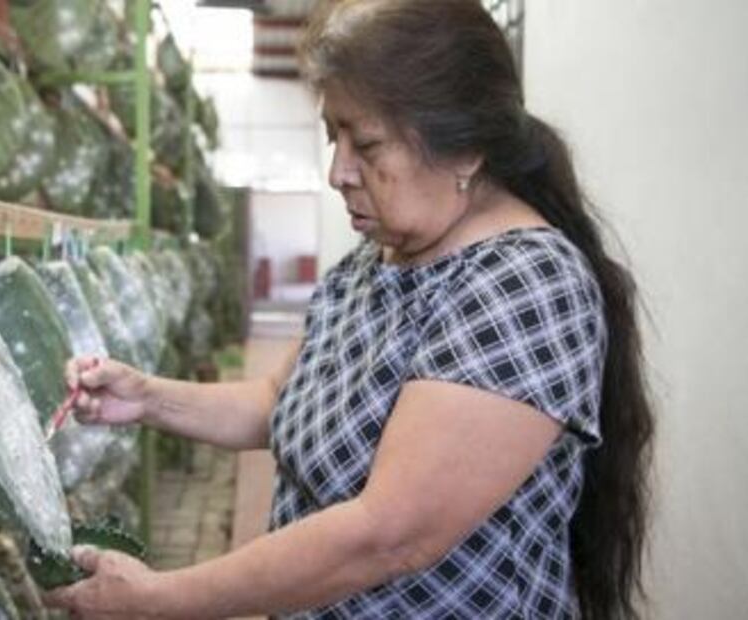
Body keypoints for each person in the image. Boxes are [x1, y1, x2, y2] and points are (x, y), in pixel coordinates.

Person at [45, 0, 654, 617]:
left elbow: (388, 534)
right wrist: (147, 399)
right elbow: (276, 403)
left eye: (366, 143)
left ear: (466, 150)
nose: (338, 171)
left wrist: (161, 599)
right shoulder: (373, 263)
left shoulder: (525, 286)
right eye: (333, 136)